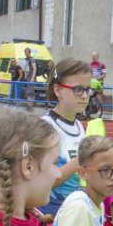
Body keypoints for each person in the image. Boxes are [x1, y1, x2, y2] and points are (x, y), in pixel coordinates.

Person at [38, 58, 92, 216]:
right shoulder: (46, 128)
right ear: (58, 90)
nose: (84, 96)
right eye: (77, 89)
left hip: (75, 208)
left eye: (87, 89)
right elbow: (44, 182)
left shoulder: (79, 126)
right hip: (52, 212)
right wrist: (83, 158)